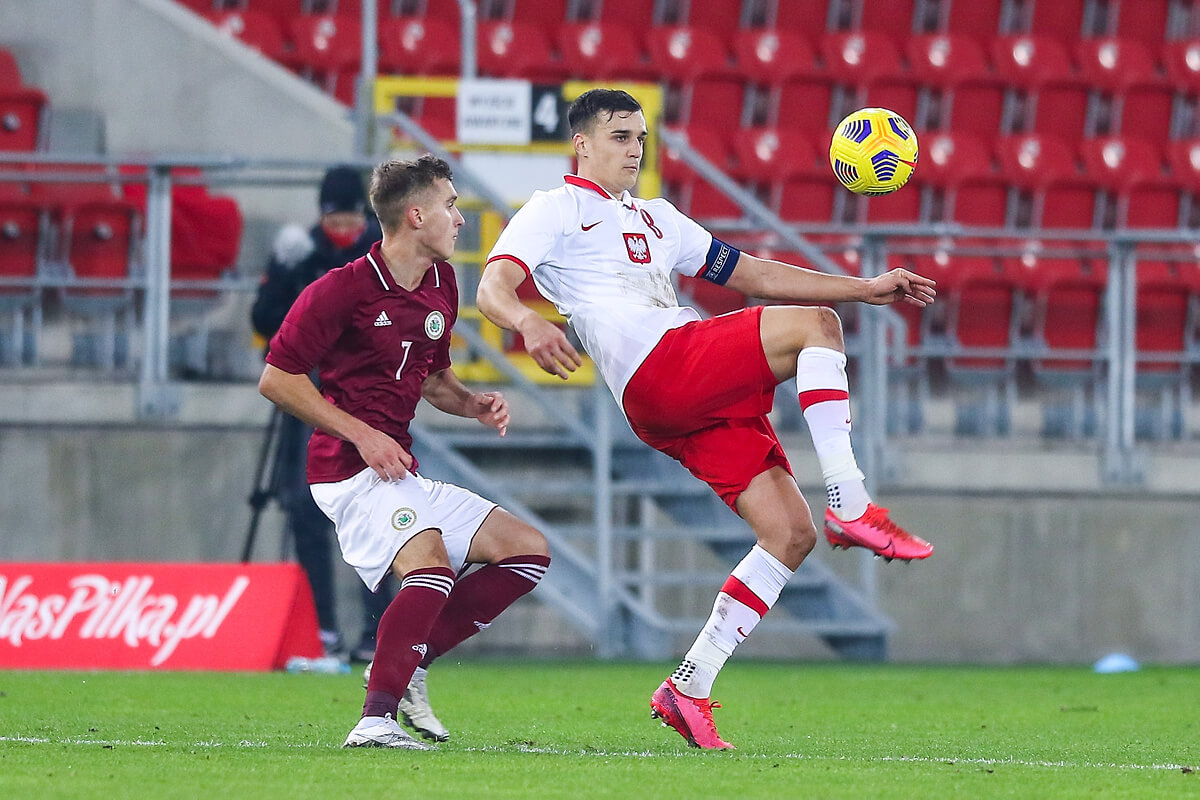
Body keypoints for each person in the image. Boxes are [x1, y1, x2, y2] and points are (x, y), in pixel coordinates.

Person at [476, 89, 936, 751]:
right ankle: (852, 503)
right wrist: (525, 320)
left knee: (788, 534)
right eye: (618, 137)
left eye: (639, 137)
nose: (633, 149)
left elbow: (749, 273)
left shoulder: (658, 217)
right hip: (660, 368)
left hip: (676, 402)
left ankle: (688, 687)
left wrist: (863, 288)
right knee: (817, 330)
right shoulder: (558, 209)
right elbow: (494, 283)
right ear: (581, 144)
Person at [259, 154, 551, 750]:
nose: (459, 219)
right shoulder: (341, 290)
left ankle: (407, 661)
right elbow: (277, 379)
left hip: (397, 471)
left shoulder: (442, 284)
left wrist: (472, 404)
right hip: (345, 471)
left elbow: (434, 380)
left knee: (528, 552)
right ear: (416, 215)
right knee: (432, 567)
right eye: (449, 205)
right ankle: (374, 720)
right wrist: (361, 434)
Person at [251, 165, 392, 662]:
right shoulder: (300, 251)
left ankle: (377, 633)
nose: (340, 229)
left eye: (350, 217)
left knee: (374, 517)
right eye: (333, 219)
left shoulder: (382, 250)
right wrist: (288, 270)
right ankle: (323, 630)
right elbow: (265, 320)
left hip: (366, 401)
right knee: (305, 510)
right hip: (307, 400)